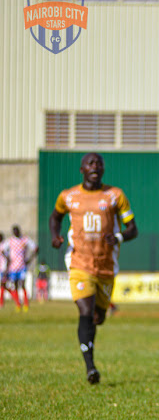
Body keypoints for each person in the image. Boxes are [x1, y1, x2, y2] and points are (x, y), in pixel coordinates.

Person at [49, 152, 138, 385]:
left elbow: (132, 229)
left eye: (98, 162)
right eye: (90, 163)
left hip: (106, 266)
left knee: (98, 317)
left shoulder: (115, 195)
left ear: (103, 169)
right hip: (79, 263)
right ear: (82, 170)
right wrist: (55, 236)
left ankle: (90, 352)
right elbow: (55, 217)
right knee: (85, 312)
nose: (95, 166)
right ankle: (90, 367)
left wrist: (118, 237)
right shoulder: (68, 196)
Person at [2, 225, 38, 312]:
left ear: (19, 231)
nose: (15, 233)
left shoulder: (25, 239)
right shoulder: (10, 241)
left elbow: (36, 248)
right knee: (15, 286)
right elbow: (3, 250)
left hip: (22, 266)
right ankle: (18, 304)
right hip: (13, 268)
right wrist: (7, 258)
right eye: (14, 231)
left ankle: (26, 304)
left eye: (16, 231)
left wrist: (29, 259)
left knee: (22, 284)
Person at [0, 233, 8, 308]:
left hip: (3, 269)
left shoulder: (5, 245)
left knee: (3, 285)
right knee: (3, 286)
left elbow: (8, 257)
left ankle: (1, 302)